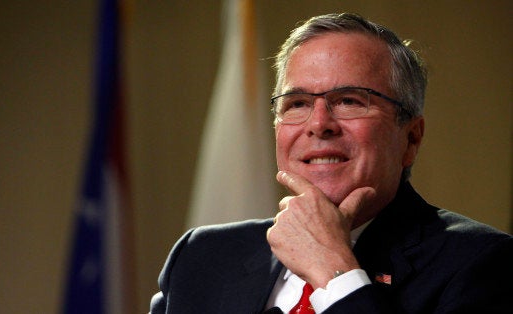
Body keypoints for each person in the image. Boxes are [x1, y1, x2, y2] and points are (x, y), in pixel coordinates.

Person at [150, 13, 513, 313]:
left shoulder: (481, 264)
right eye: (297, 104)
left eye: (350, 101)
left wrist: (334, 272)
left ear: (411, 138)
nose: (319, 124)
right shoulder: (203, 257)